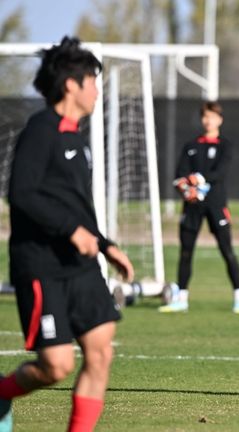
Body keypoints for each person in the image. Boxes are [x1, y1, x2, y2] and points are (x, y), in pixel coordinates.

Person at [0, 36, 134, 432]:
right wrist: (70, 229)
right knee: (55, 366)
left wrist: (106, 244)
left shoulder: (77, 136)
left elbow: (77, 207)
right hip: (41, 264)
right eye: (92, 81)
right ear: (71, 85)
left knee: (100, 354)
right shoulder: (41, 130)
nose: (97, 90)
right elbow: (20, 194)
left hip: (80, 266)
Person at [159, 101, 239, 314]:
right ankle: (182, 299)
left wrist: (199, 179)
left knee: (227, 251)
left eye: (213, 117)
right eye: (205, 117)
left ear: (220, 120)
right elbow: (179, 175)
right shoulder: (191, 146)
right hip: (192, 207)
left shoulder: (225, 145)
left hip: (216, 205)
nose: (208, 121)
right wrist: (185, 188)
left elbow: (220, 173)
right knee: (186, 252)